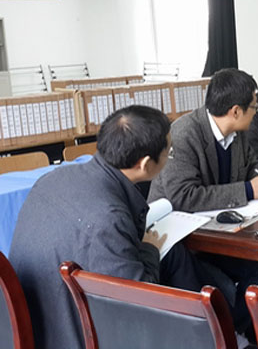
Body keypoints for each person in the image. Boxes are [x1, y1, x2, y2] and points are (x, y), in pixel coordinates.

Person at [9, 105, 210, 348]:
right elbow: (134, 302)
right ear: (145, 164)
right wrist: (149, 248)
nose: (171, 156)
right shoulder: (109, 219)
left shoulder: (53, 178)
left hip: (31, 318)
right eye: (169, 151)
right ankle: (209, 335)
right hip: (68, 334)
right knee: (171, 264)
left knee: (174, 257)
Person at [148, 68, 258, 337]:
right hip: (183, 242)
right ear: (235, 111)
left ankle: (233, 333)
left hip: (221, 232)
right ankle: (224, 335)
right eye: (254, 107)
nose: (256, 112)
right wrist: (248, 190)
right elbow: (183, 196)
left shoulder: (238, 131)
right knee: (224, 288)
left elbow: (251, 165)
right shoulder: (184, 134)